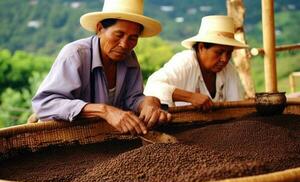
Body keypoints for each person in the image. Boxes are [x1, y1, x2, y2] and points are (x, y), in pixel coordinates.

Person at [32, 0, 171, 135]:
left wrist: (148, 102)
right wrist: (104, 111)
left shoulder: (129, 58)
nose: (124, 44)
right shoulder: (75, 55)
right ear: (99, 29)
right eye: (119, 35)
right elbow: (44, 104)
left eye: (133, 38)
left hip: (101, 140)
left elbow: (132, 99)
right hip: (61, 138)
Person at [144, 15, 248, 111]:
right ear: (201, 47)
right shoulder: (185, 61)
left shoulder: (229, 70)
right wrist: (191, 97)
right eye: (219, 52)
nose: (224, 59)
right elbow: (153, 87)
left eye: (229, 53)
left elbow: (236, 106)